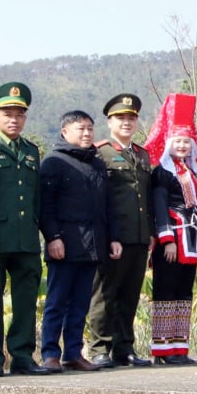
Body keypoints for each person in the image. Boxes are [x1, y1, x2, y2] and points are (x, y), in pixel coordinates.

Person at [0, 82, 52, 376]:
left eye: (19, 114)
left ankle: (22, 356)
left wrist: (42, 233)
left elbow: (36, 199)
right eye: (7, 113)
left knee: (26, 299)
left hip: (26, 239)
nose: (13, 119)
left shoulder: (31, 151)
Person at [39, 110, 121, 373]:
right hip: (64, 243)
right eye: (80, 129)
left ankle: (73, 353)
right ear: (65, 132)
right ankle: (50, 353)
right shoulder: (54, 162)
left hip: (93, 244)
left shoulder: (96, 163)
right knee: (57, 301)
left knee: (80, 303)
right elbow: (45, 206)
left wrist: (113, 238)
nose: (86, 134)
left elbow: (107, 205)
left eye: (89, 129)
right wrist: (53, 237)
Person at [87, 94, 154, 368]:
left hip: (138, 236)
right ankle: (99, 348)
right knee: (104, 293)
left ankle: (124, 348)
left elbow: (146, 196)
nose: (126, 123)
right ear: (109, 121)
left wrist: (149, 232)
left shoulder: (142, 154)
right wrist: (107, 236)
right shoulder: (99, 152)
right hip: (112, 237)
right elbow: (97, 199)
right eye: (120, 118)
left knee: (130, 294)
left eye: (131, 118)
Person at [144, 93, 197, 365]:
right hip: (173, 239)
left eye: (186, 142)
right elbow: (159, 205)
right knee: (165, 291)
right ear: (169, 143)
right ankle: (162, 349)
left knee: (184, 292)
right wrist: (167, 239)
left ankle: (180, 347)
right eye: (177, 141)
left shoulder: (191, 173)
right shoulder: (162, 172)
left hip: (190, 238)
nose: (182, 146)